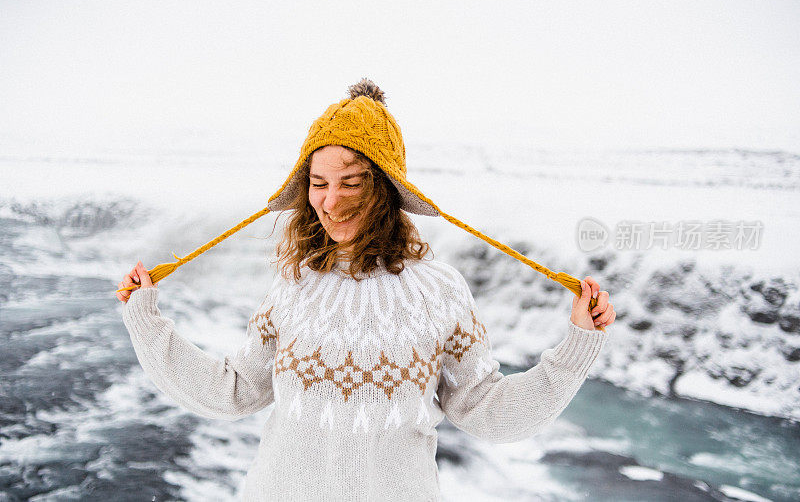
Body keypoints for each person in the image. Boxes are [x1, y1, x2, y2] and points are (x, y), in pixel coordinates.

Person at [117, 79, 615, 501]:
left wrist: (577, 345)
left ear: (385, 187)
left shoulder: (438, 292)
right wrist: (146, 321)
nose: (331, 202)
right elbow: (235, 391)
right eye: (317, 183)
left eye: (352, 183)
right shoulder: (294, 283)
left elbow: (489, 412)